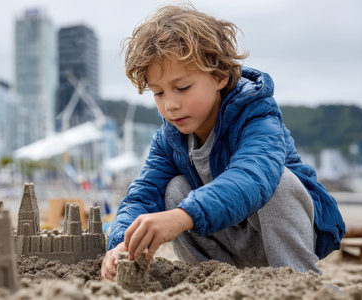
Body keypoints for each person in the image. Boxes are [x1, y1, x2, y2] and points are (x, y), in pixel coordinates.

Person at [101, 5, 345, 280]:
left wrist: (182, 216)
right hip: (230, 241)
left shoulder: (258, 116)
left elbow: (252, 178)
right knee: (173, 189)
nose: (170, 105)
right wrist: (121, 242)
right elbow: (144, 194)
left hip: (284, 236)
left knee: (279, 181)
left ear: (220, 76)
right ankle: (215, 276)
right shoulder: (169, 138)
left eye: (182, 88)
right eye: (158, 93)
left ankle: (301, 279)